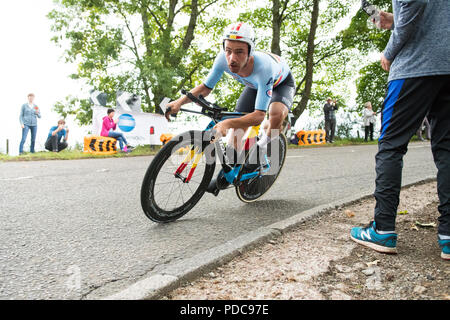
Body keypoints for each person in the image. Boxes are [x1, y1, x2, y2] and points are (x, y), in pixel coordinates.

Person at [350, 0, 450, 260]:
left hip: (416, 64)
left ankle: (382, 228)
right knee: (447, 148)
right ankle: (449, 235)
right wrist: (394, 19)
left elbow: (415, 4)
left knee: (391, 146)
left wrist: (390, 51)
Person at [166, 22, 296, 194]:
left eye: (239, 52)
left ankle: (264, 146)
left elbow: (258, 116)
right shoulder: (222, 59)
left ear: (250, 51)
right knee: (236, 133)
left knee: (275, 113)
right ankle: (229, 174)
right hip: (254, 85)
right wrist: (179, 102)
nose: (232, 58)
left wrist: (226, 124)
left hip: (281, 84)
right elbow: (205, 88)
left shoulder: (264, 68)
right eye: (228, 50)